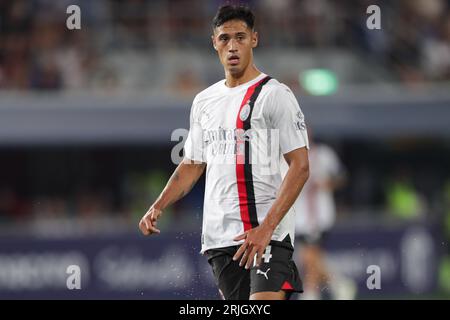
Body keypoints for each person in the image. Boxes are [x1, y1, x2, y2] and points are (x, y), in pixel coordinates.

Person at [139, 4, 310, 300]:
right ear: (214, 42)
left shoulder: (274, 95)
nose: (232, 46)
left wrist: (267, 227)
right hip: (219, 238)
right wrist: (159, 204)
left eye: (240, 37)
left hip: (266, 234)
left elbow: (301, 166)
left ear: (254, 39)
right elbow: (192, 164)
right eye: (225, 38)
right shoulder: (205, 101)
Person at [281, 137, 355, 300]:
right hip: (299, 216)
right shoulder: (287, 156)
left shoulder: (324, 154)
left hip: (319, 216)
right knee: (307, 257)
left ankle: (311, 292)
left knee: (310, 254)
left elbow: (342, 177)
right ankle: (337, 282)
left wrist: (329, 183)